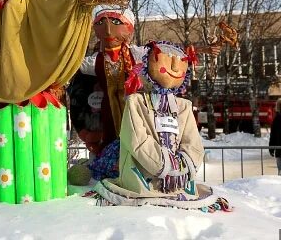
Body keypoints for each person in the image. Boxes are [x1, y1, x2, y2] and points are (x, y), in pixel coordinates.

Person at [93, 41, 230, 212]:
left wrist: (184, 166)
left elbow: (193, 142)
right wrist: (164, 166)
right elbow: (136, 139)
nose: (174, 67)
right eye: (165, 60)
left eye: (179, 63)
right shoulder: (137, 102)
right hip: (143, 182)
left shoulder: (183, 106)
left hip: (181, 183)